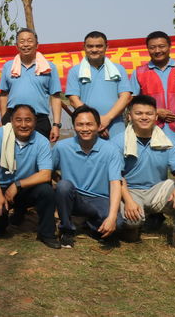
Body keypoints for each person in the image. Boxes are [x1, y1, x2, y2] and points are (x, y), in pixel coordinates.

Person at [114, 95, 175, 255]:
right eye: (138, 113)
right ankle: (131, 228)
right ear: (129, 116)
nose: (144, 117)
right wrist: (128, 201)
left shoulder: (167, 140)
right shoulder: (118, 141)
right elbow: (116, 176)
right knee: (132, 220)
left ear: (156, 117)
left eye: (149, 113)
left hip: (157, 190)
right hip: (129, 191)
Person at [130, 31, 175, 177]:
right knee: (153, 172)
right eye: (152, 47)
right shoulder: (139, 72)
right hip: (151, 130)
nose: (157, 50)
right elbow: (132, 101)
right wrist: (155, 112)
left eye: (161, 46)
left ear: (170, 47)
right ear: (147, 49)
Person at [0, 105, 59, 249]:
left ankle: (47, 233)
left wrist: (17, 185)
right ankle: (1, 224)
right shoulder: (1, 134)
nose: (23, 125)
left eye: (28, 120)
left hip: (27, 187)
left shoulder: (42, 141)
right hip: (3, 186)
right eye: (18, 120)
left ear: (35, 122)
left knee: (47, 191)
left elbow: (45, 174)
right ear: (11, 121)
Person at [53, 106, 124, 248]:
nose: (85, 129)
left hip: (99, 198)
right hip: (74, 197)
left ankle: (89, 223)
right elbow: (46, 171)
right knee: (63, 186)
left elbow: (116, 183)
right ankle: (66, 230)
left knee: (117, 224)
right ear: (74, 126)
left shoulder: (111, 150)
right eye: (80, 124)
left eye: (89, 124)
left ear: (98, 126)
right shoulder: (61, 147)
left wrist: (112, 217)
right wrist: (58, 190)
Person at [0, 28, 62, 142]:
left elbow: (55, 97)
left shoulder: (48, 67)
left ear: (37, 45)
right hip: (13, 119)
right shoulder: (8, 67)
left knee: (40, 152)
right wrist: (4, 119)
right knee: (10, 152)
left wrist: (56, 125)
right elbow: (3, 94)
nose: (26, 44)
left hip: (39, 120)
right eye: (22, 41)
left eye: (29, 41)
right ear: (17, 46)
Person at [66, 31, 132, 138]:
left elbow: (126, 97)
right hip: (87, 128)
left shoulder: (118, 69)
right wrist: (94, 121)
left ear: (107, 47)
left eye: (99, 46)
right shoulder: (75, 71)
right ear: (84, 47)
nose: (94, 50)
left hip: (115, 127)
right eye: (90, 46)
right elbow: (74, 100)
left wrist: (107, 118)